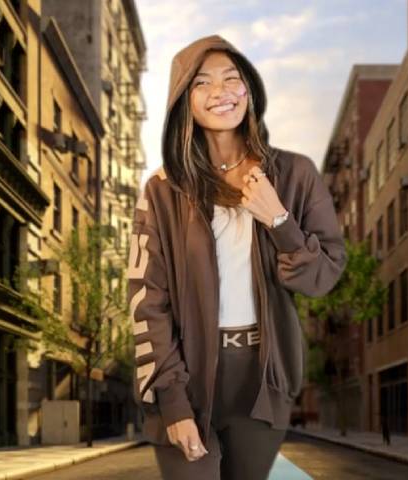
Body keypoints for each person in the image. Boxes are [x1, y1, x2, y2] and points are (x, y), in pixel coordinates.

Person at [126, 34, 346, 480]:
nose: (220, 92)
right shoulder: (163, 190)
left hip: (262, 380)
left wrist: (280, 221)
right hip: (186, 375)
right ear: (183, 103)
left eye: (232, 78)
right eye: (202, 83)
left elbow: (323, 277)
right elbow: (148, 301)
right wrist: (172, 400)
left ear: (250, 89)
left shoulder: (295, 174)